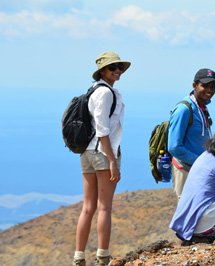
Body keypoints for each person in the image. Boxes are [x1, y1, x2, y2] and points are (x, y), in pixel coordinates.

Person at [72, 51, 131, 266]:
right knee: (104, 206)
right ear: (102, 71)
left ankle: (79, 257)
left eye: (119, 67)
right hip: (102, 152)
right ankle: (103, 257)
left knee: (88, 207)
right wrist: (113, 160)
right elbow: (102, 130)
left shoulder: (93, 91)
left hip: (86, 153)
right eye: (113, 68)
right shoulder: (106, 93)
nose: (118, 71)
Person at [168, 68, 215, 198]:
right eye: (205, 86)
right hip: (184, 170)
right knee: (186, 213)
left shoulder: (201, 108)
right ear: (194, 85)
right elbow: (174, 146)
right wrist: (199, 162)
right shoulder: (183, 110)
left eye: (212, 86)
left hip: (197, 170)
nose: (210, 90)